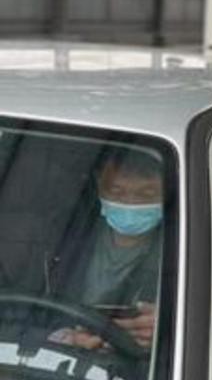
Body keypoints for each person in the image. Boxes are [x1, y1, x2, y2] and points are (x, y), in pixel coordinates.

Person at [47, 148, 163, 352]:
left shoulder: (183, 249)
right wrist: (63, 338)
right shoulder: (60, 235)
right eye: (117, 192)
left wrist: (166, 329)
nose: (130, 204)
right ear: (99, 187)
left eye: (146, 194)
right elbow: (20, 313)